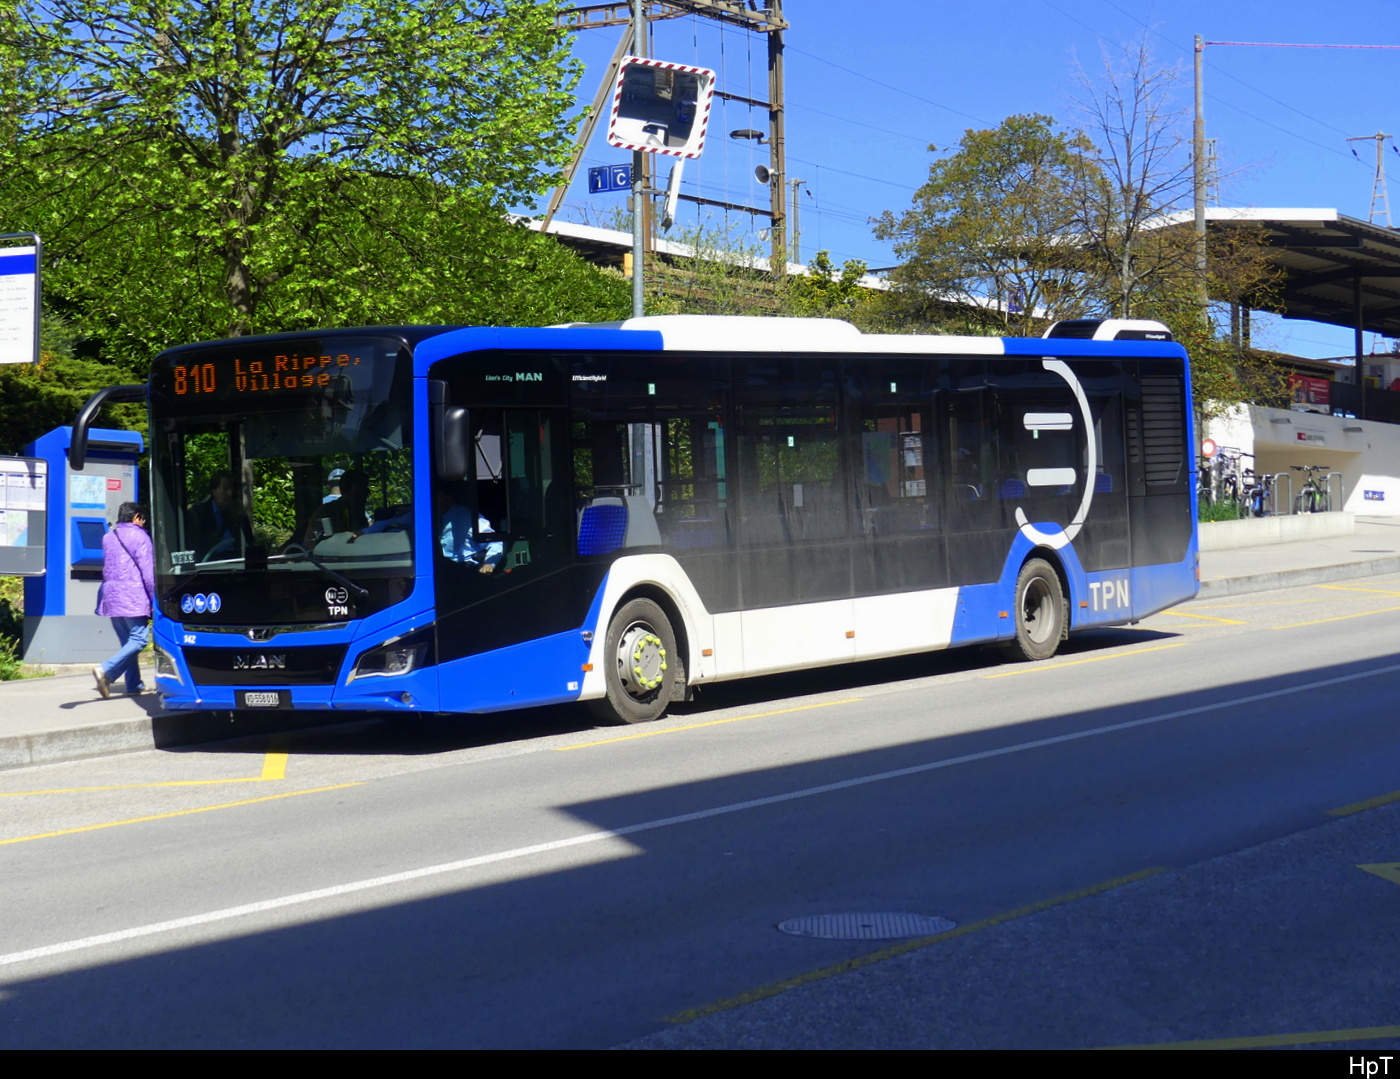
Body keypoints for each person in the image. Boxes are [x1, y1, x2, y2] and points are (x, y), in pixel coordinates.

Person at [93, 502, 155, 698]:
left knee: (127, 642)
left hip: (110, 596)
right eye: (142, 520)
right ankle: (106, 670)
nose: (143, 523)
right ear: (137, 517)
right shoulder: (140, 536)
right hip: (132, 596)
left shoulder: (108, 537)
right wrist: (155, 599)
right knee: (139, 639)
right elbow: (148, 573)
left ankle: (133, 684)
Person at [436, 488, 504, 572]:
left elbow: (494, 541)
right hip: (440, 569)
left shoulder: (467, 517)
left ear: (446, 499)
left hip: (466, 570)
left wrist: (488, 563)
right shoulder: (431, 519)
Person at [185, 470, 243, 561]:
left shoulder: (239, 517)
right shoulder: (199, 515)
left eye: (232, 489)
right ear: (214, 491)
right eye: (225, 489)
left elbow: (248, 546)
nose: (230, 494)